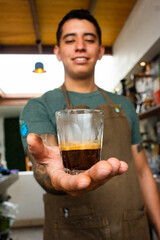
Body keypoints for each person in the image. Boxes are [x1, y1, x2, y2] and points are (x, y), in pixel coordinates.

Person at [19, 9, 160, 240]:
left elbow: (143, 173)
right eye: (70, 40)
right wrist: (57, 177)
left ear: (101, 51)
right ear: (57, 51)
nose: (80, 46)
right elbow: (43, 164)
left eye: (89, 39)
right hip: (74, 231)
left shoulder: (124, 105)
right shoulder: (39, 106)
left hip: (133, 228)